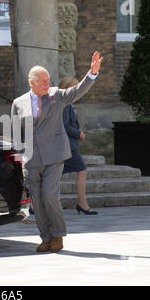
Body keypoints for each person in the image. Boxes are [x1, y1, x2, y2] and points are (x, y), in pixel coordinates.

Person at [11, 52, 103, 253]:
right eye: (43, 81)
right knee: (37, 200)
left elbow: (78, 91)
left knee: (49, 195)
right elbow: (17, 133)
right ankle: (46, 238)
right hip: (31, 159)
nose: (47, 83)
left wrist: (92, 74)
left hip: (54, 156)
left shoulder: (57, 95)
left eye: (48, 80)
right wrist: (19, 157)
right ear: (32, 82)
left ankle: (58, 235)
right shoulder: (18, 103)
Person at [59, 76, 98, 215]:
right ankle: (82, 204)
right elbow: (64, 125)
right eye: (74, 87)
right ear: (65, 88)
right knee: (82, 170)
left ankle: (35, 203)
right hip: (68, 144)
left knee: (52, 173)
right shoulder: (65, 103)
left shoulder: (67, 102)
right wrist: (79, 133)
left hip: (68, 144)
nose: (77, 91)